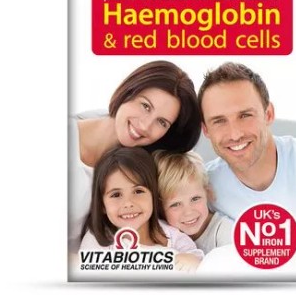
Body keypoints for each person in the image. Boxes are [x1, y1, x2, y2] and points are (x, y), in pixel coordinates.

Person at [69, 60, 201, 251]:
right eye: (145, 106)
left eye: (162, 122)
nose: (145, 126)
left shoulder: (146, 165)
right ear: (128, 91)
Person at [198, 62, 296, 249]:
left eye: (245, 115)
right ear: (206, 130)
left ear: (268, 114)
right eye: (219, 121)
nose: (235, 134)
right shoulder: (203, 188)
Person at [80, 147, 203, 271]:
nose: (128, 203)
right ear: (102, 205)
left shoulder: (170, 235)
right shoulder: (98, 241)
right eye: (116, 195)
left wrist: (191, 258)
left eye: (138, 191)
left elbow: (196, 257)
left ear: (153, 196)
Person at [154, 150, 233, 254]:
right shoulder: (165, 234)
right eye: (175, 204)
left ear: (207, 193)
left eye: (195, 199)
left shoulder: (226, 233)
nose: (188, 212)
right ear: (159, 207)